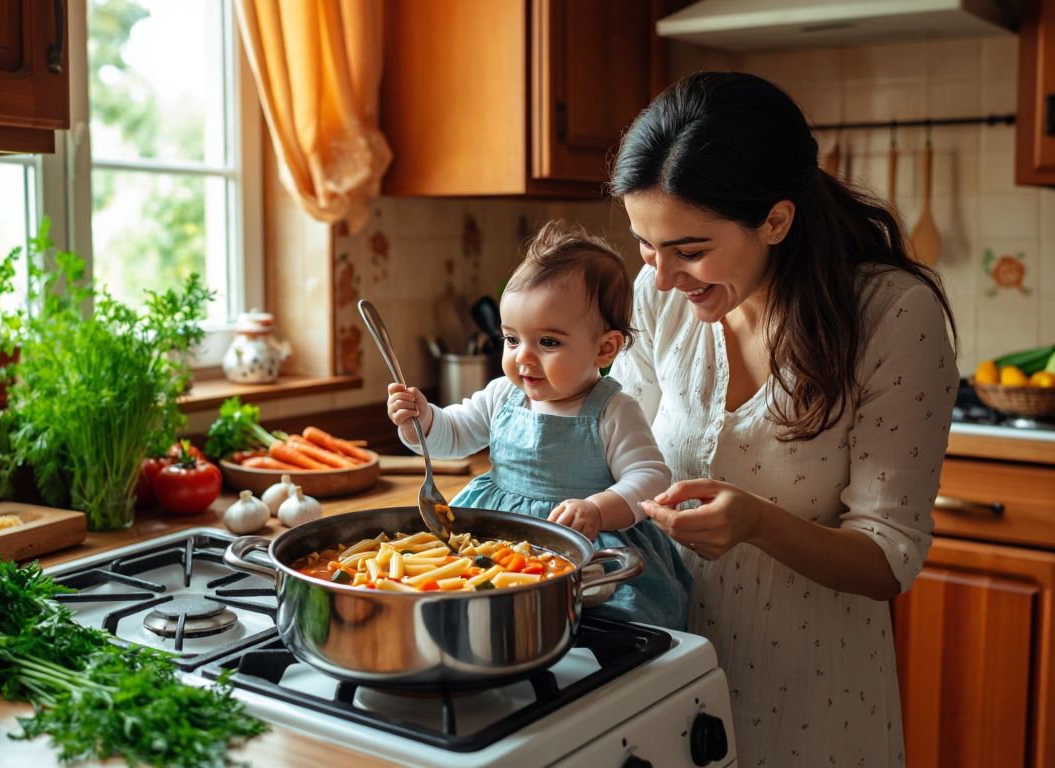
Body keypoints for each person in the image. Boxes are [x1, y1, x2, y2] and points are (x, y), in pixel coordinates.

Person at [607, 70, 959, 766]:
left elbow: (890, 557)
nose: (663, 277)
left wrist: (757, 524)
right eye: (646, 247)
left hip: (815, 699)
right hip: (666, 678)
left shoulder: (891, 315)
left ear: (776, 219)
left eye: (689, 249)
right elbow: (616, 444)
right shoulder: (661, 294)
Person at [386, 220, 690, 629]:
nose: (523, 358)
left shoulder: (612, 409)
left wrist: (598, 509)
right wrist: (421, 419)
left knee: (597, 627)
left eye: (547, 342)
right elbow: (453, 435)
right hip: (495, 536)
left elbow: (652, 477)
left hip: (584, 550)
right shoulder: (502, 394)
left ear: (604, 348)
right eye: (512, 339)